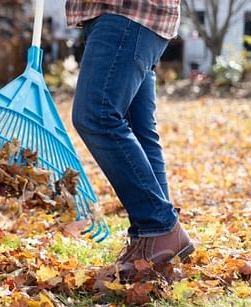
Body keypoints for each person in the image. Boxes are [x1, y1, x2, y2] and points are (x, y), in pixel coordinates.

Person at [66, 0, 195, 281]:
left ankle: (159, 227)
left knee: (96, 115)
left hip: (126, 11)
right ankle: (153, 242)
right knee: (138, 128)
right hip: (133, 16)